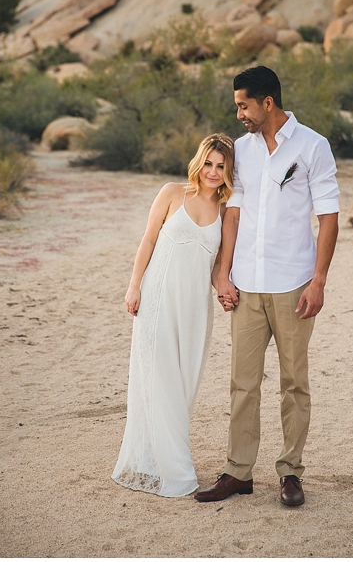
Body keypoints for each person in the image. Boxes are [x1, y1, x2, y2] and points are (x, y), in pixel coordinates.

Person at [195, 65, 340, 507]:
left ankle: (291, 473)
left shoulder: (314, 146)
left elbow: (328, 218)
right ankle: (239, 472)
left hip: (294, 284)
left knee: (294, 382)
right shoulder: (241, 151)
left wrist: (318, 281)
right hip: (247, 286)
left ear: (267, 103)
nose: (238, 113)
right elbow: (232, 215)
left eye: (243, 105)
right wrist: (223, 273)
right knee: (243, 382)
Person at [112, 133, 235, 496]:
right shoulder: (171, 193)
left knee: (183, 387)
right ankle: (174, 470)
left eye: (221, 166)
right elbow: (148, 240)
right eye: (209, 163)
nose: (213, 172)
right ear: (199, 161)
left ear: (228, 172)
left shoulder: (227, 212)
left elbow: (217, 268)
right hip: (157, 298)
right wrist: (134, 286)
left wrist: (225, 291)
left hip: (195, 307)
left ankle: (160, 457)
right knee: (157, 379)